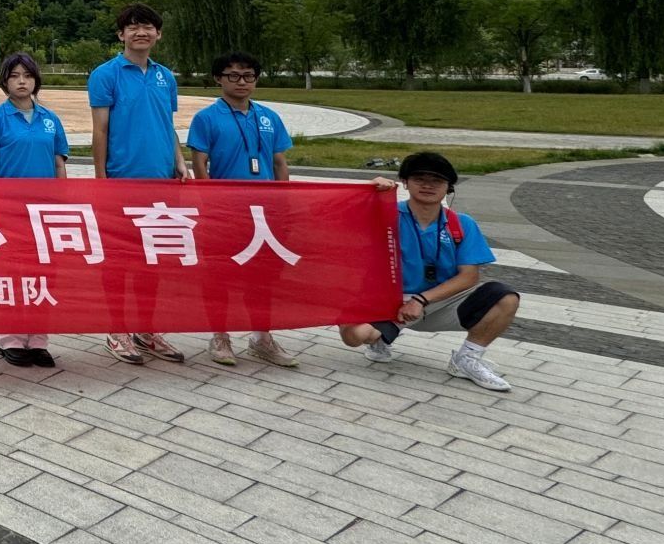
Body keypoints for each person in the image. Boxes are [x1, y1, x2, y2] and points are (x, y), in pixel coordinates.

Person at [338, 152, 519, 391]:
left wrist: (421, 300)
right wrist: (367, 193)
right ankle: (379, 340)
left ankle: (467, 359)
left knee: (505, 297)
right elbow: (336, 218)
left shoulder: (462, 223)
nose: (427, 185)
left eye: (436, 180)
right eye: (419, 179)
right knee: (355, 336)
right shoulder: (385, 214)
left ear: (448, 187)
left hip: (440, 301)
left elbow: (469, 276)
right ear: (405, 182)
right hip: (392, 301)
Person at [88, 4, 192, 366]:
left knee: (154, 260)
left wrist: (180, 162)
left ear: (158, 34)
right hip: (122, 181)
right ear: (121, 35)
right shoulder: (106, 75)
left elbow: (167, 125)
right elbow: (100, 130)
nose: (140, 32)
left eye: (148, 26)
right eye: (132, 27)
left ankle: (147, 330)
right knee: (120, 260)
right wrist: (101, 179)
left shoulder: (166, 77)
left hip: (161, 183)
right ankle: (117, 330)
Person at [186, 52, 300, 369]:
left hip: (263, 212)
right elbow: (200, 164)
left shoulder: (269, 117)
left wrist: (283, 202)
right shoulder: (207, 118)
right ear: (218, 79)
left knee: (262, 276)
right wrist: (209, 203)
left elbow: (280, 163)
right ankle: (220, 336)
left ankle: (262, 337)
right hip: (225, 211)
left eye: (248, 76)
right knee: (219, 275)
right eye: (233, 75)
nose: (241, 82)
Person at [0, 54, 68, 368]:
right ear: (5, 82)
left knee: (44, 275)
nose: (22, 81)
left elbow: (59, 164)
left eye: (27, 75)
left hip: (45, 213)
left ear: (36, 80)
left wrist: (63, 204)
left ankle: (38, 339)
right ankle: (10, 338)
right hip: (9, 212)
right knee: (10, 275)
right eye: (14, 76)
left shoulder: (50, 119)